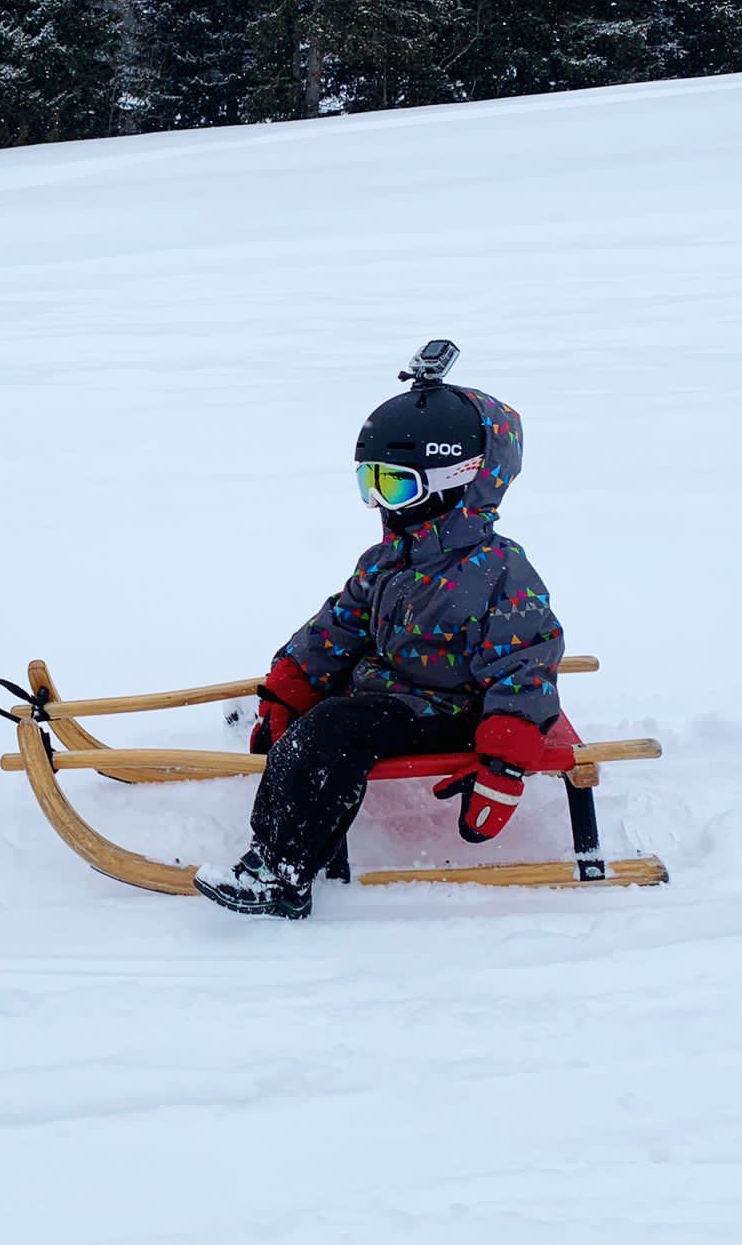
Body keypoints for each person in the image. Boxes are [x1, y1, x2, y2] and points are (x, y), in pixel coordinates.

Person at [194, 351, 563, 919]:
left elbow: (525, 670)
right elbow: (342, 623)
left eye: (394, 486)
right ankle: (278, 840)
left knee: (329, 733)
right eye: (369, 484)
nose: (380, 504)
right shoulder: (392, 557)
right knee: (318, 724)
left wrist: (503, 765)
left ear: (456, 483)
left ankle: (281, 874)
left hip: (448, 707)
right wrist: (291, 684)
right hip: (389, 690)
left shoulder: (500, 572)